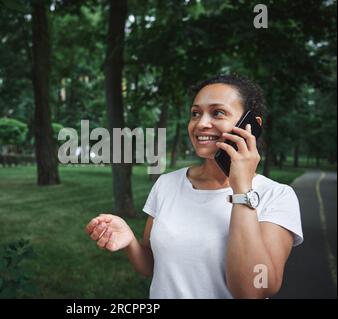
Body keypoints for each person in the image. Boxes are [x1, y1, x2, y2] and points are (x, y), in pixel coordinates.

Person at [84, 74, 303, 299]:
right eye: (195, 113)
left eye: (218, 112)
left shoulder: (276, 196)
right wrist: (130, 241)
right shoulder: (167, 184)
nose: (201, 123)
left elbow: (254, 289)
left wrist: (242, 192)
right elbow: (153, 266)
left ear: (252, 125)